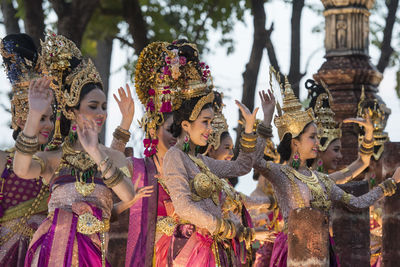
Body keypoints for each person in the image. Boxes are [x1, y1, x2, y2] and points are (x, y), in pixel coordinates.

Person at [12, 32, 138, 267]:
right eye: (93, 106)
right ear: (72, 111)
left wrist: (96, 152)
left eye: (103, 106)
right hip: (52, 256)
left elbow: (128, 195)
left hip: (96, 257)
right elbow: (20, 169)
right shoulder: (55, 158)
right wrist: (34, 114)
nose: (100, 113)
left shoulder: (111, 157)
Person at [253, 70, 400, 267]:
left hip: (323, 251)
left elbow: (356, 203)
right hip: (294, 252)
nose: (317, 143)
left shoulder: (321, 180)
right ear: (295, 143)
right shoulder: (282, 175)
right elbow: (255, 161)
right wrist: (266, 119)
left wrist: (391, 182)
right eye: (312, 137)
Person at [159, 39, 270, 266]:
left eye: (211, 122)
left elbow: (241, 167)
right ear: (186, 125)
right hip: (193, 250)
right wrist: (223, 226)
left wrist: (249, 129)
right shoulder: (175, 157)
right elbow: (183, 206)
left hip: (216, 246)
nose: (210, 129)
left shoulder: (200, 161)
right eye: (206, 122)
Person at [109, 41, 179, 267]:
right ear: (152, 129)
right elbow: (108, 169)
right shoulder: (137, 168)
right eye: (170, 130)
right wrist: (125, 123)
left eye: (179, 130)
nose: (176, 137)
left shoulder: (188, 170)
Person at [0, 34, 53, 267]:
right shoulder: (3, 161)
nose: (49, 125)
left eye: (51, 118)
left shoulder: (55, 160)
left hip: (48, 253)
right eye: (41, 117)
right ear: (21, 119)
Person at [204, 91, 274, 265]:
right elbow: (215, 224)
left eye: (232, 148)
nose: (230, 153)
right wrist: (253, 233)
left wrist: (266, 120)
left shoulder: (224, 182)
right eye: (226, 147)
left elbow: (248, 164)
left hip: (228, 254)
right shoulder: (203, 178)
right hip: (209, 255)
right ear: (211, 148)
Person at [306, 79, 373, 183]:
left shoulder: (330, 180)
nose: (340, 156)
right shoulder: (300, 179)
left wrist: (369, 132)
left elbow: (363, 162)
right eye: (336, 150)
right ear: (319, 147)